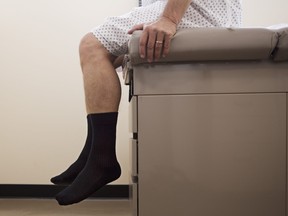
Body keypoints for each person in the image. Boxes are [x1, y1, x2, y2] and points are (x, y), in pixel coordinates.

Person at [51, 0, 242, 205]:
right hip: (212, 14)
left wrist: (169, 19)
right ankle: (91, 154)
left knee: (91, 45)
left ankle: (100, 158)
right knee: (103, 56)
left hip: (202, 11)